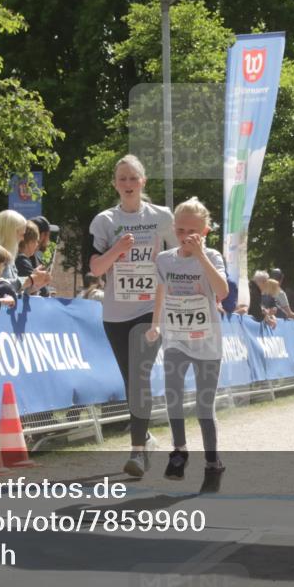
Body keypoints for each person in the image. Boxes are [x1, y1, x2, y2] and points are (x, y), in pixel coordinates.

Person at [88, 154, 174, 477]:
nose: (127, 184)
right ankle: (146, 438)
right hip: (115, 314)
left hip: (150, 311)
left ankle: (137, 453)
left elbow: (179, 257)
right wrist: (117, 250)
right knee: (131, 381)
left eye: (132, 178)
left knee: (138, 377)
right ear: (115, 184)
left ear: (143, 182)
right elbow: (96, 268)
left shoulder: (162, 218)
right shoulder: (104, 222)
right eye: (121, 179)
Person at [147, 197, 228, 492]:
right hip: (176, 339)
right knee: (173, 395)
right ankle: (179, 452)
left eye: (192, 232)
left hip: (206, 341)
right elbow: (161, 291)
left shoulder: (214, 257)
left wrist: (201, 256)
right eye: (180, 231)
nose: (185, 237)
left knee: (204, 407)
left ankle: (213, 463)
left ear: (205, 231)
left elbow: (222, 292)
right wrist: (156, 324)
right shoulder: (165, 259)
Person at [0, 209, 50, 296]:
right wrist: (29, 280)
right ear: (10, 233)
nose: (23, 239)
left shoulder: (8, 255)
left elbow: (12, 291)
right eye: (21, 234)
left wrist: (34, 285)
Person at [29, 215, 57, 297]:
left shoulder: (37, 257)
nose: (49, 240)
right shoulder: (26, 257)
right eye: (48, 235)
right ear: (41, 235)